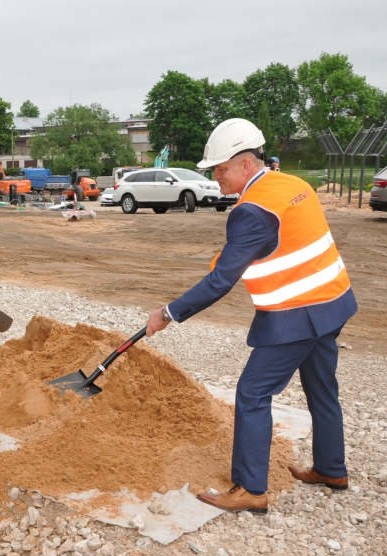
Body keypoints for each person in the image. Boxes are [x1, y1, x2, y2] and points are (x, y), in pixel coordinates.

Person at [145, 118, 357, 513]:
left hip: (298, 315)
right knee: (322, 388)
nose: (216, 177)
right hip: (334, 302)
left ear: (245, 164)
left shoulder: (252, 210)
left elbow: (221, 281)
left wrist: (168, 313)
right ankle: (332, 468)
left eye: (221, 169)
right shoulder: (293, 185)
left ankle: (250, 490)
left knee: (253, 392)